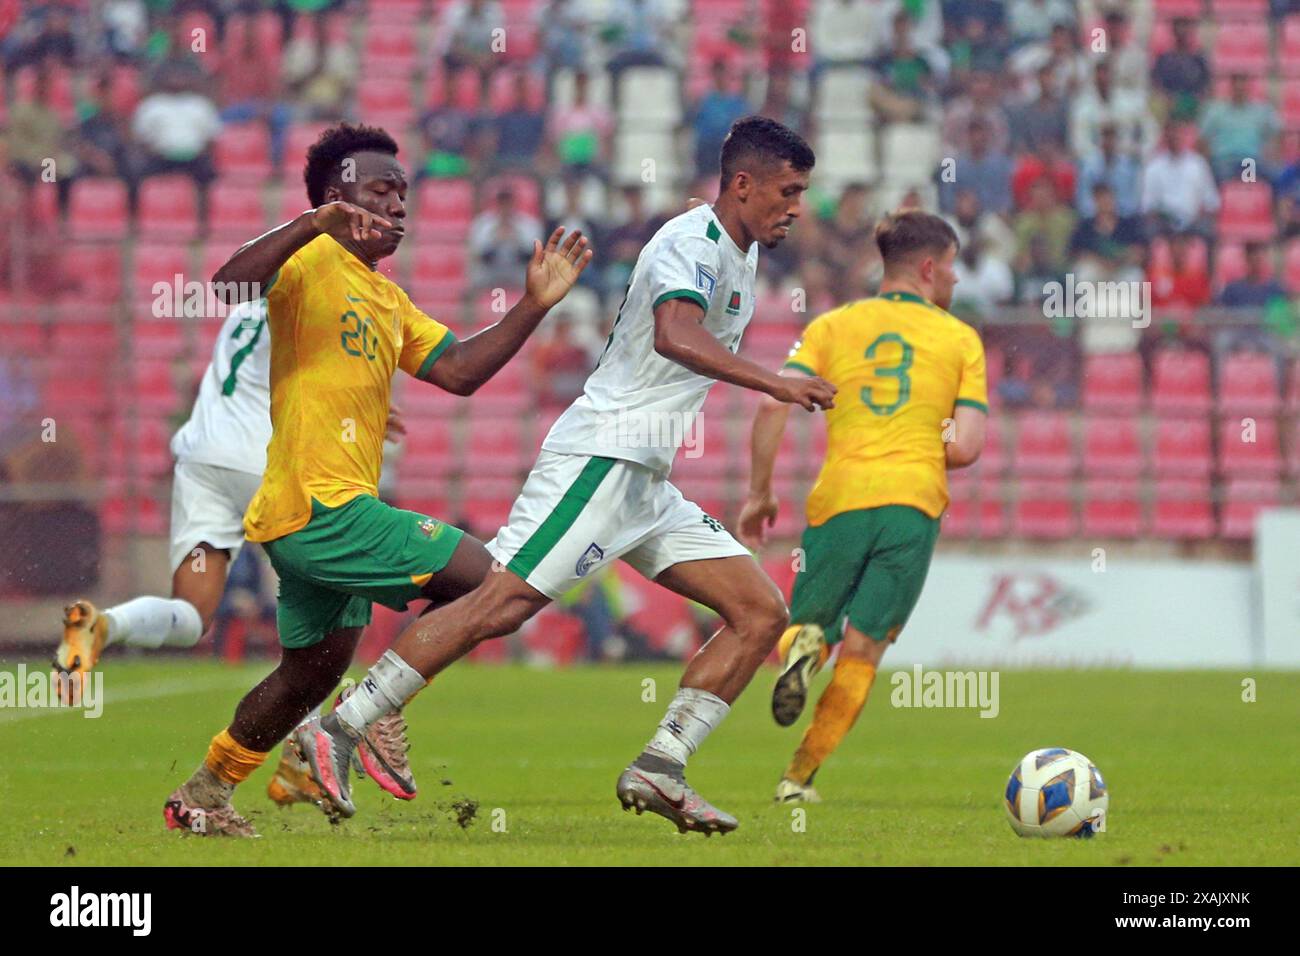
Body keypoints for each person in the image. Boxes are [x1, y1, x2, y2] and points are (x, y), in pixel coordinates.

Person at [294, 116, 834, 836]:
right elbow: (675, 334)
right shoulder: (689, 242)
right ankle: (341, 725)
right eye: (788, 191)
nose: (796, 206)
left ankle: (661, 764)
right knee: (502, 603)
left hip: (644, 481)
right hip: (601, 457)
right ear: (743, 185)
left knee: (760, 612)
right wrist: (773, 382)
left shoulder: (743, 254)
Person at [159, 122, 591, 836]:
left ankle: (203, 794)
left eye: (404, 193)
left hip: (317, 513)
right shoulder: (310, 259)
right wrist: (311, 224)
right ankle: (374, 710)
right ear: (337, 198)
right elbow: (222, 287)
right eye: (381, 190)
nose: (399, 205)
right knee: (491, 580)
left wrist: (534, 305)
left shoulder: (387, 299)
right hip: (318, 507)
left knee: (311, 673)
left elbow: (457, 372)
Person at [52, 292, 418, 815]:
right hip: (262, 460)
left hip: (202, 460)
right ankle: (301, 766)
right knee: (328, 611)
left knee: (192, 614)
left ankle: (101, 625)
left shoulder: (246, 310)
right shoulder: (306, 301)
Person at [737, 210, 988, 802]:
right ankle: (797, 778)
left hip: (839, 497)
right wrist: (928, 435)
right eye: (952, 268)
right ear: (928, 268)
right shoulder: (959, 338)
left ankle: (802, 651)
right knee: (864, 647)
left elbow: (774, 405)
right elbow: (969, 446)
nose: (955, 280)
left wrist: (760, 492)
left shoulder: (832, 325)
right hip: (912, 503)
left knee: (810, 626)